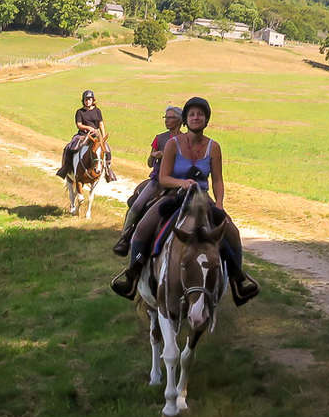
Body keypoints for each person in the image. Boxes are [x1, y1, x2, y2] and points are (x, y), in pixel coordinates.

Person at [110, 96, 259, 305]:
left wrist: (219, 204)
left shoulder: (213, 147)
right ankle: (132, 274)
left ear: (206, 120)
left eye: (200, 114)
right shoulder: (172, 144)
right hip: (173, 195)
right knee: (143, 227)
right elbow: (163, 178)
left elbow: (217, 180)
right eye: (192, 114)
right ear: (186, 120)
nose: (196, 117)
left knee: (231, 231)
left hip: (201, 198)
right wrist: (182, 184)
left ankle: (238, 279)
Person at [113, 105, 183, 255]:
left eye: (169, 117)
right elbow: (149, 164)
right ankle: (124, 239)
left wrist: (166, 155)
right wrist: (154, 155)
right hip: (157, 181)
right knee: (136, 207)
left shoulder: (184, 140)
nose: (166, 120)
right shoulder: (160, 138)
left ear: (178, 120)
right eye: (165, 117)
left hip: (178, 183)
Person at [54, 89, 115, 182]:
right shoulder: (80, 112)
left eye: (89, 99)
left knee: (107, 149)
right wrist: (88, 128)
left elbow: (101, 124)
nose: (87, 101)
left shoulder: (97, 111)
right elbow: (79, 125)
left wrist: (102, 137)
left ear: (93, 100)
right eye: (86, 99)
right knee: (69, 147)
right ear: (83, 101)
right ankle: (65, 168)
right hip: (82, 135)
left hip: (95, 136)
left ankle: (108, 171)